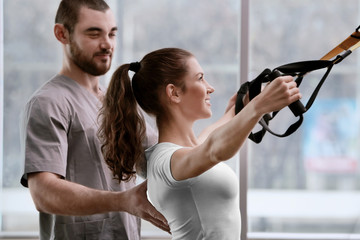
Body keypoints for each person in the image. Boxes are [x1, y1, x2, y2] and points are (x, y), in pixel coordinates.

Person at [98, 47, 302, 239]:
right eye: (200, 79)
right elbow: (214, 150)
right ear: (174, 93)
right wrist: (258, 107)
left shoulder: (184, 151)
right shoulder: (166, 161)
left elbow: (209, 137)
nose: (210, 88)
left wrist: (243, 106)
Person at [19, 0, 169, 239]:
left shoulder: (118, 103)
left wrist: (233, 117)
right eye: (94, 33)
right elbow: (43, 193)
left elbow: (166, 163)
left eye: (111, 33)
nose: (107, 43)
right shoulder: (48, 103)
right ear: (62, 34)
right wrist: (123, 200)